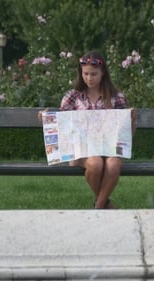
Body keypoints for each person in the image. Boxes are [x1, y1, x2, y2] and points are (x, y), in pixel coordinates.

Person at [39, 50, 136, 209]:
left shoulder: (115, 96)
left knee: (113, 164)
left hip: (110, 148)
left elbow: (127, 134)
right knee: (95, 163)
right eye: (86, 74)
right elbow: (62, 125)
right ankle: (105, 205)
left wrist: (132, 120)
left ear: (103, 73)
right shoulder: (73, 96)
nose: (89, 78)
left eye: (94, 74)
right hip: (82, 150)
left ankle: (98, 208)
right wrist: (47, 117)